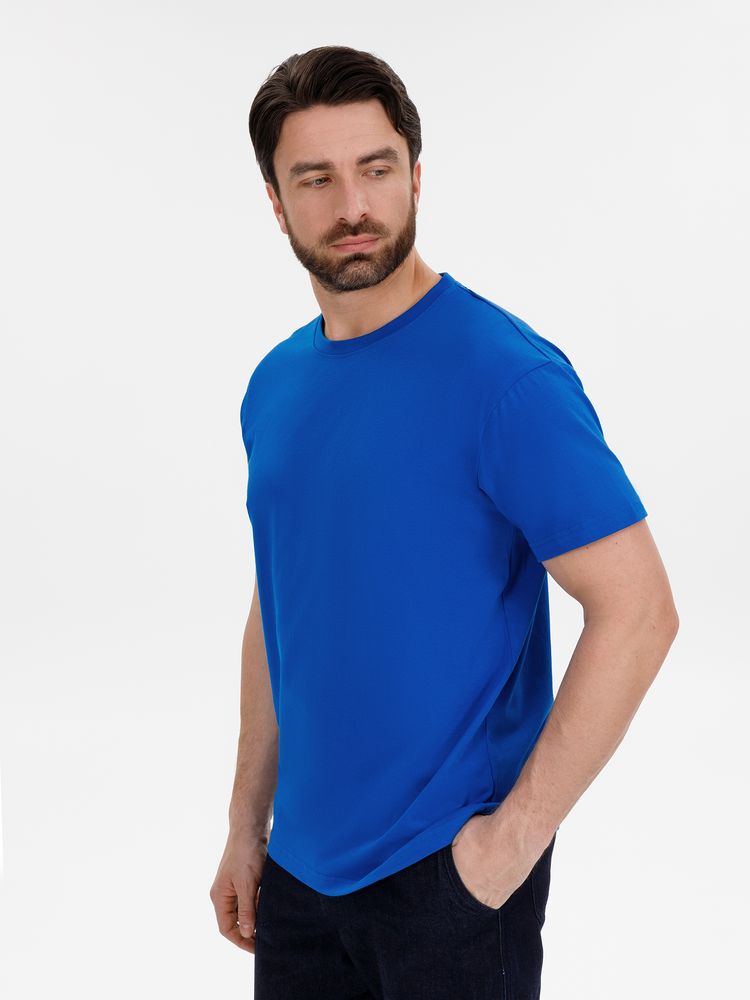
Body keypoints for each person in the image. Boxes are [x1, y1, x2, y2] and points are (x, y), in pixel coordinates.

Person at [209, 44, 679, 999]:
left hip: (448, 880)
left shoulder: (506, 379)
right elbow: (281, 604)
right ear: (276, 202)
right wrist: (245, 824)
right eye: (317, 178)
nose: (353, 205)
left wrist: (507, 848)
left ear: (416, 177)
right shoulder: (275, 386)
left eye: (376, 169)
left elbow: (639, 612)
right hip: (299, 878)